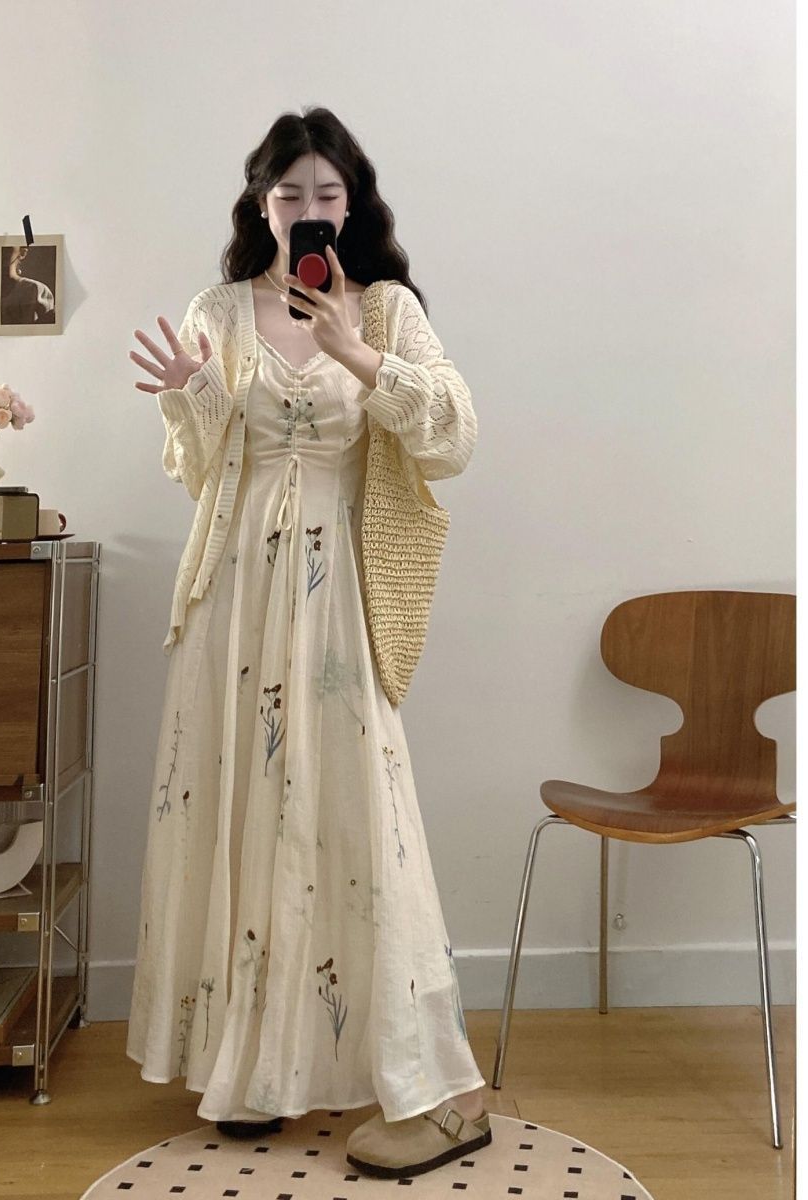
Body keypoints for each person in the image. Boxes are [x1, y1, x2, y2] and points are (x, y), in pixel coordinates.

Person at [125, 106, 485, 1179]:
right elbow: (200, 470)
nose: (309, 209)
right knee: (239, 802)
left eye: (328, 193)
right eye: (290, 194)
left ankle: (428, 1080)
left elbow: (455, 435)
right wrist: (190, 399)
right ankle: (251, 1072)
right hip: (234, 590)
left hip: (338, 601)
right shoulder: (219, 311)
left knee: (359, 810)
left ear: (352, 203)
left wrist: (358, 355)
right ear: (262, 202)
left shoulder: (387, 309)